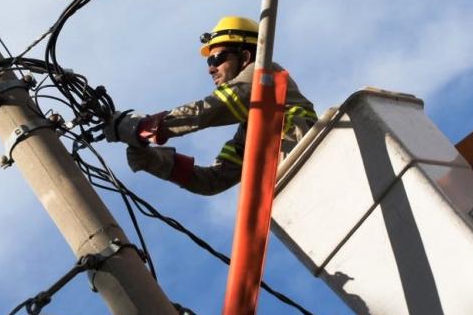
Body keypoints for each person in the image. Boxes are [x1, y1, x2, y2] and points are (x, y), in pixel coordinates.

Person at [106, 16, 317, 195]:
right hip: (295, 194)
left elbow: (209, 109)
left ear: (245, 57)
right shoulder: (253, 130)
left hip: (310, 167)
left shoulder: (264, 74)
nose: (211, 69)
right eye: (209, 62)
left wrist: (142, 127)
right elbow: (213, 180)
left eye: (217, 59)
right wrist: (152, 160)